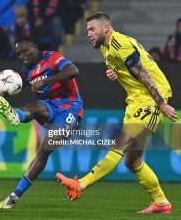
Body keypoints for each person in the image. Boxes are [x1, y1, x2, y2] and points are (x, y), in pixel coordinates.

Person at [56, 12, 177, 214]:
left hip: (151, 99)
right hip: (135, 101)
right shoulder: (106, 48)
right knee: (133, 161)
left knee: (118, 145)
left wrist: (161, 104)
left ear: (106, 28)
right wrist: (117, 72)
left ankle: (81, 184)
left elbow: (144, 75)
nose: (88, 34)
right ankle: (161, 203)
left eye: (92, 29)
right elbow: (130, 69)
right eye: (87, 30)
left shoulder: (120, 45)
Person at [0, 36, 83, 209]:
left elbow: (73, 70)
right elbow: (9, 85)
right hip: (48, 109)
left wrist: (46, 80)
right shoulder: (27, 71)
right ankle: (16, 116)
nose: (21, 56)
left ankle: (14, 196)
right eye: (18, 53)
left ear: (34, 47)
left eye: (24, 51)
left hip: (70, 111)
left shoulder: (52, 57)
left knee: (44, 150)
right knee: (33, 106)